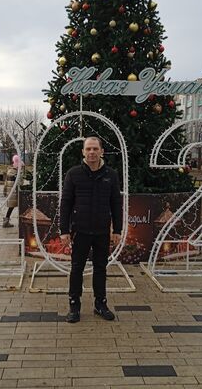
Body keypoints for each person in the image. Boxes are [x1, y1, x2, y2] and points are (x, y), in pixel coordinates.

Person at [60, 136, 122, 323]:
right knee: (76, 269)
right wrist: (64, 230)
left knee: (100, 268)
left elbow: (116, 204)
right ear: (83, 152)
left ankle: (100, 304)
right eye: (88, 149)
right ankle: (74, 305)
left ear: (102, 151)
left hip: (102, 231)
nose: (92, 152)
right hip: (80, 231)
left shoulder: (111, 175)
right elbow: (66, 203)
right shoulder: (73, 174)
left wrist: (117, 229)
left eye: (95, 149)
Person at [2, 154, 24, 228]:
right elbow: (20, 183)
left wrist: (4, 191)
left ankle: (6, 220)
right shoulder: (15, 172)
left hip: (11, 192)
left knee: (12, 207)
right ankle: (21, 221)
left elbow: (6, 183)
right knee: (19, 206)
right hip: (14, 192)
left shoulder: (10, 171)